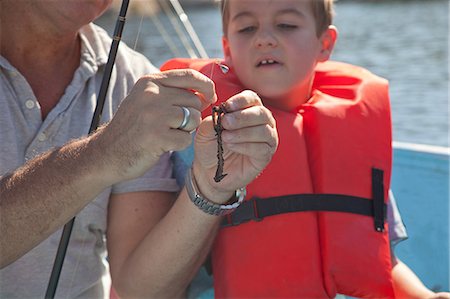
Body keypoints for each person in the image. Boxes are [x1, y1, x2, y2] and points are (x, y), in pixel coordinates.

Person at [161, 0, 450, 298]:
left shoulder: (353, 139)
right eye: (247, 28)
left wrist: (426, 296)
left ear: (325, 43)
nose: (264, 38)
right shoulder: (203, 141)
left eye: (286, 25)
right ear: (228, 49)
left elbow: (387, 262)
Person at [0, 1, 278, 298]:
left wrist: (211, 185)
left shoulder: (135, 81)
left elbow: (140, 291)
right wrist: (103, 153)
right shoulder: (140, 96)